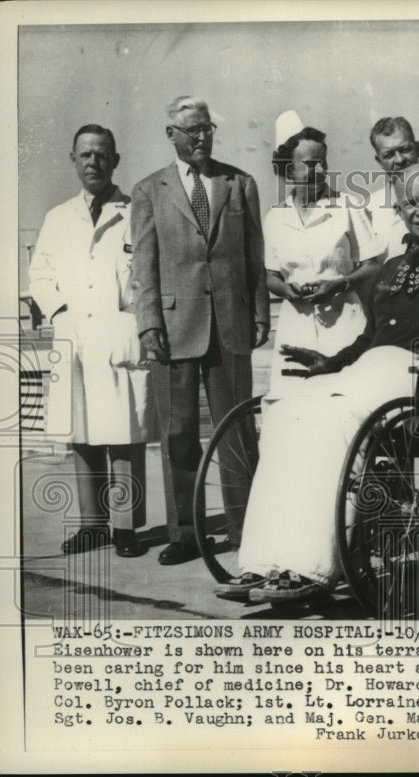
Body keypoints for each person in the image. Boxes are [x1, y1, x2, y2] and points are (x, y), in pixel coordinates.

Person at [214, 164, 419, 603]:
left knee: (339, 419)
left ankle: (313, 568)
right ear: (399, 210)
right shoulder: (391, 268)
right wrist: (326, 364)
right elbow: (369, 340)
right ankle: (264, 563)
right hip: (375, 372)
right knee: (288, 409)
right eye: (410, 203)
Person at [131, 96, 269, 565]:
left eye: (207, 128)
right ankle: (187, 534)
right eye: (192, 131)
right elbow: (143, 267)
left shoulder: (239, 183)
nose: (202, 138)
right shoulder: (149, 190)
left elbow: (255, 258)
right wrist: (149, 322)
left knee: (237, 430)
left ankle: (244, 527)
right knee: (179, 434)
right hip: (172, 329)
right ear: (171, 134)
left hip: (231, 325)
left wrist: (261, 314)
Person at [29, 124, 153, 558]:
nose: (93, 163)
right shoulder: (57, 218)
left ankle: (125, 528)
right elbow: (40, 274)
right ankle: (91, 525)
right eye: (84, 155)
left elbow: (147, 274)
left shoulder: (136, 211)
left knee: (124, 433)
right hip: (74, 336)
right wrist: (60, 311)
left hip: (118, 333)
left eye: (101, 155)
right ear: (73, 160)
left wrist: (129, 316)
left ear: (115, 160)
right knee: (80, 433)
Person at [263, 111, 380, 398]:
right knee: (292, 401)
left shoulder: (348, 206)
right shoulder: (276, 217)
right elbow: (270, 275)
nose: (319, 171)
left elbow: (373, 265)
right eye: (309, 164)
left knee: (346, 400)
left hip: (344, 322)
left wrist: (340, 284)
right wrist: (286, 289)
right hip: (295, 325)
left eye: (323, 163)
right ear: (288, 170)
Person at [364, 116, 419, 261]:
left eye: (405, 149)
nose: (399, 160)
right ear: (379, 161)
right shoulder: (369, 210)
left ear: (418, 149)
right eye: (389, 155)